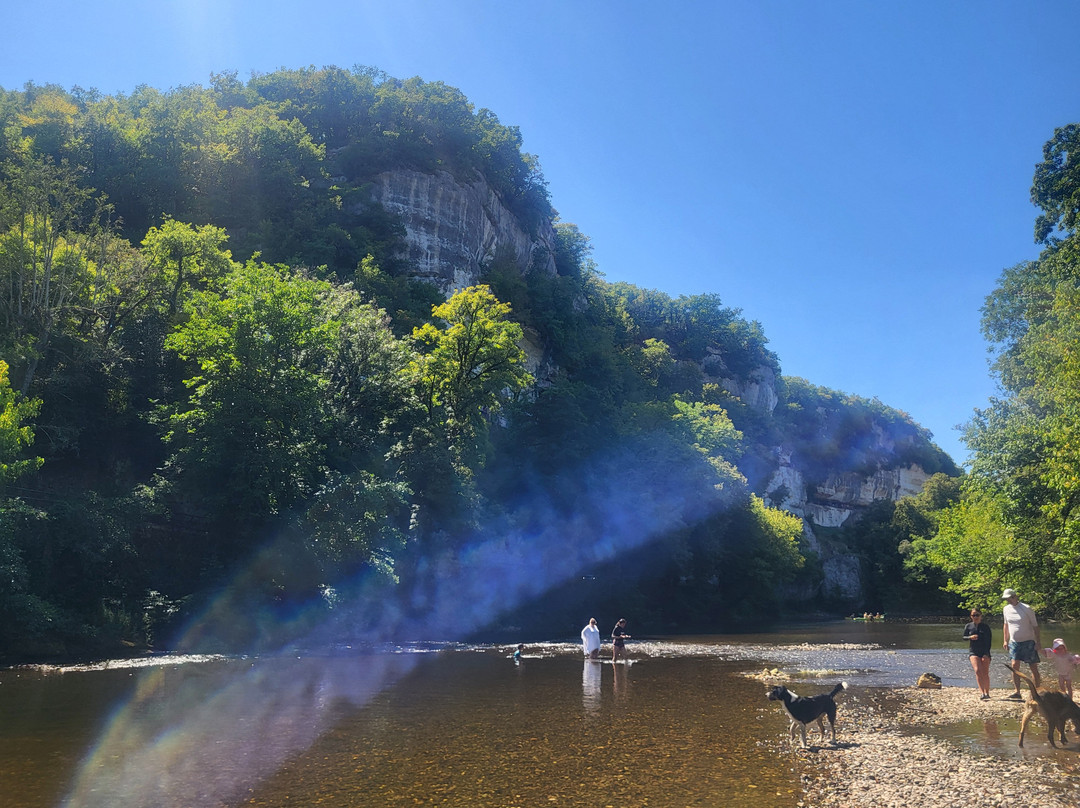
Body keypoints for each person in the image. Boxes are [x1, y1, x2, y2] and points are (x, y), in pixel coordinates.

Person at [1002, 588, 1041, 699]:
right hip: (1014, 642)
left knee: (1033, 667)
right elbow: (1006, 625)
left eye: (1009, 598)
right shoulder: (1006, 609)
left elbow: (1035, 626)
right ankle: (1017, 692)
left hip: (1029, 641)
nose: (1008, 600)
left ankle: (1037, 691)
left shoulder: (1026, 608)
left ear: (1015, 597)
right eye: (1006, 599)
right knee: (1014, 666)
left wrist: (1038, 642)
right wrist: (1005, 640)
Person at [962, 608, 992, 700]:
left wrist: (986, 654)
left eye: (977, 615)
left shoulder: (985, 627)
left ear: (981, 616)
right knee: (978, 670)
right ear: (971, 616)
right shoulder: (968, 626)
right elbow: (964, 637)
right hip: (973, 651)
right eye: (973, 615)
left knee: (985, 672)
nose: (975, 617)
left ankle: (987, 692)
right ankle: (982, 692)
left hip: (984, 651)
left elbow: (989, 641)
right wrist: (970, 637)